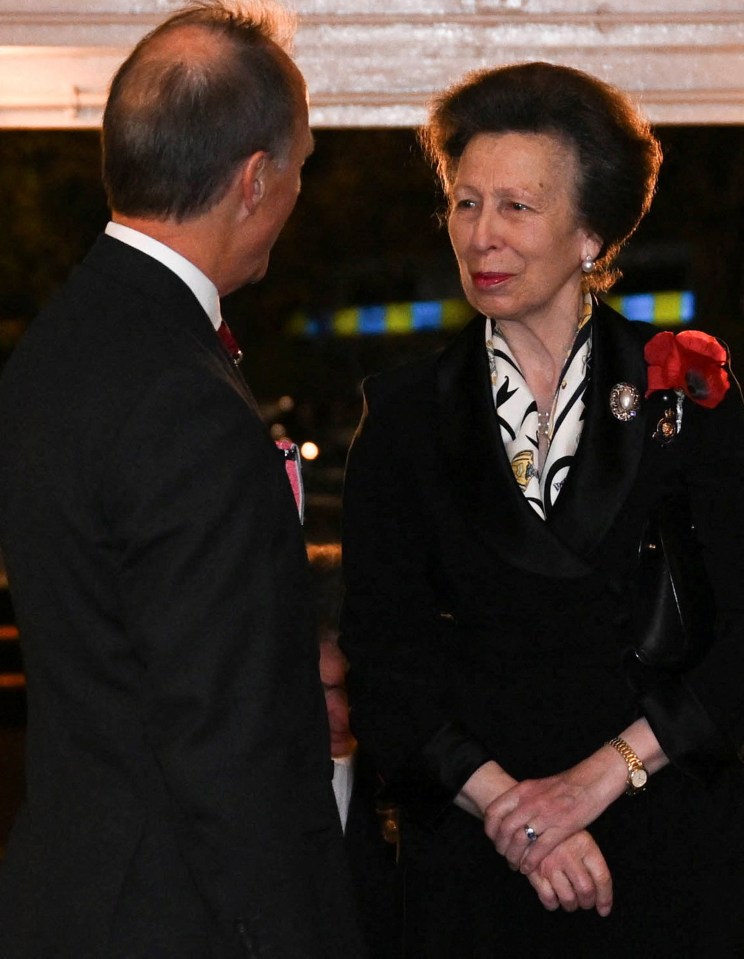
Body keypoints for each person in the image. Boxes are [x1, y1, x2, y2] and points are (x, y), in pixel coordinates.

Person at [340, 61, 744, 957]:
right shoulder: (406, 413)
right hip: (476, 864)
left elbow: (735, 642)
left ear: (591, 232)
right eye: (465, 203)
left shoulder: (689, 392)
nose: (483, 236)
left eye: (517, 207)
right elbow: (384, 660)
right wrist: (515, 813)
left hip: (666, 851)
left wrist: (594, 784)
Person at [0, 3, 364, 956]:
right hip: (177, 917)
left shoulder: (55, 348)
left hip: (68, 893)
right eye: (301, 166)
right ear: (254, 181)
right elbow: (224, 744)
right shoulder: (185, 396)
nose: (295, 194)